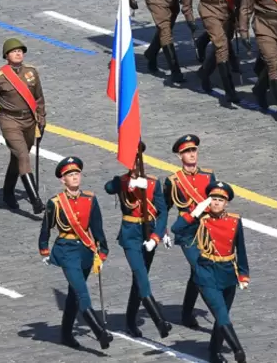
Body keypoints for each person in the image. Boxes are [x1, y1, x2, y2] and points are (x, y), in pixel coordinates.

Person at [39, 157, 113, 350]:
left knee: (74, 294)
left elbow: (97, 228)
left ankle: (65, 334)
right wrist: (44, 250)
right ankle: (100, 333)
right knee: (82, 291)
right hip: (66, 250)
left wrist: (102, 252)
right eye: (69, 175)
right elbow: (45, 228)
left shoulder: (90, 199)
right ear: (62, 180)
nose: (74, 177)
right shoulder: (55, 203)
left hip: (86, 251)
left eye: (76, 173)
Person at [171, 181, 249, 363]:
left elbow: (241, 249)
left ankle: (214, 352)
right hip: (206, 273)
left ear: (226, 203)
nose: (216, 203)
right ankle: (239, 352)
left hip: (228, 273)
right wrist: (196, 212)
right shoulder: (201, 220)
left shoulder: (234, 221)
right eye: (213, 199)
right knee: (220, 313)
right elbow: (177, 229)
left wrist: (243, 275)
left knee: (221, 318)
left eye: (220, 200)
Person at [103, 142, 172, 339]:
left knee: (138, 280)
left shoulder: (152, 183)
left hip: (149, 233)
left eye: (138, 158)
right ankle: (159, 322)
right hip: (131, 235)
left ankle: (130, 321)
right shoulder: (122, 181)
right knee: (141, 275)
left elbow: (162, 211)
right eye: (132, 159)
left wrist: (158, 235)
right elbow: (108, 187)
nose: (135, 162)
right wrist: (127, 184)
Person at [0, 38, 47, 212]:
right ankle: (35, 200)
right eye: (14, 51)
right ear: (6, 55)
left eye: (20, 51)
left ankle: (8, 192)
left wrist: (41, 118)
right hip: (10, 120)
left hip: (29, 121)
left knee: (16, 158)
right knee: (23, 156)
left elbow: (38, 98)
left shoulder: (31, 72)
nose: (18, 53)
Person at [164, 134, 216, 328]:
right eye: (187, 151)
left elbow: (217, 203)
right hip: (187, 232)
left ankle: (186, 313)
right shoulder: (174, 181)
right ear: (180, 156)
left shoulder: (208, 176)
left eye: (193, 150)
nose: (191, 154)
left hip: (208, 231)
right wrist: (162, 231)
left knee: (197, 272)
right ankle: (219, 315)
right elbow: (164, 208)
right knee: (202, 271)